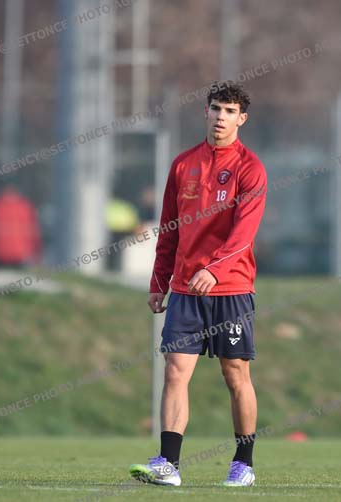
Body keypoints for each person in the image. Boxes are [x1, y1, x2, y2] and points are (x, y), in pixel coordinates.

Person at [129, 81, 267, 487]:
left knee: (235, 374)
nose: (221, 117)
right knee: (175, 371)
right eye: (216, 109)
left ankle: (244, 463)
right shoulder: (183, 165)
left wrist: (215, 269)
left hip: (231, 289)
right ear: (205, 112)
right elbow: (169, 229)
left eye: (230, 111)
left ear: (242, 118)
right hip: (187, 291)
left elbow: (244, 233)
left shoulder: (250, 168)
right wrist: (159, 281)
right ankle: (168, 464)